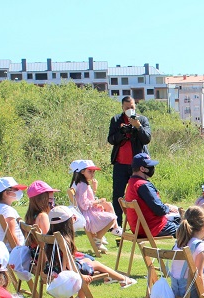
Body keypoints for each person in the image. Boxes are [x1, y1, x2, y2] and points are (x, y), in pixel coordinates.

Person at [45, 206, 136, 290]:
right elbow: (69, 264)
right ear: (67, 223)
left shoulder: (48, 236)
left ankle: (113, 278)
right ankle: (123, 279)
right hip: (65, 274)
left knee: (88, 259)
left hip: (52, 268)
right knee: (95, 264)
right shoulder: (64, 239)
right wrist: (80, 276)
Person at [109, 96, 151, 226]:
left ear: (135, 106)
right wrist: (122, 132)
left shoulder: (142, 120)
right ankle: (118, 224)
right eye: (127, 108)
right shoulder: (116, 120)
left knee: (141, 193)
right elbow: (111, 139)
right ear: (122, 107)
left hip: (137, 166)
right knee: (118, 194)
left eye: (132, 107)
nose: (130, 110)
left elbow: (147, 139)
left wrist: (138, 127)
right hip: (120, 164)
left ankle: (143, 222)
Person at [70, 159, 122, 254]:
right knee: (112, 218)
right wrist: (98, 201)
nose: (92, 174)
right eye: (89, 171)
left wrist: (94, 192)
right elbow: (84, 204)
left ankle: (103, 236)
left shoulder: (83, 183)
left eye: (93, 171)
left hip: (87, 212)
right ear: (82, 172)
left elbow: (86, 200)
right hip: (87, 215)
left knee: (109, 209)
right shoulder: (83, 185)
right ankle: (98, 239)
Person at [124, 153, 181, 238]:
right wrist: (169, 209)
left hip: (138, 229)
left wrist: (165, 207)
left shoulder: (132, 182)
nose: (152, 168)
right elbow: (159, 210)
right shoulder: (143, 185)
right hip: (153, 228)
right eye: (150, 166)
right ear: (142, 168)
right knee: (189, 229)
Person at [0, 176, 27, 250]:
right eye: (16, 189)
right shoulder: (7, 210)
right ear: (6, 193)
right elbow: (12, 235)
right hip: (12, 251)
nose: (19, 191)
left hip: (2, 249)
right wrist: (20, 252)